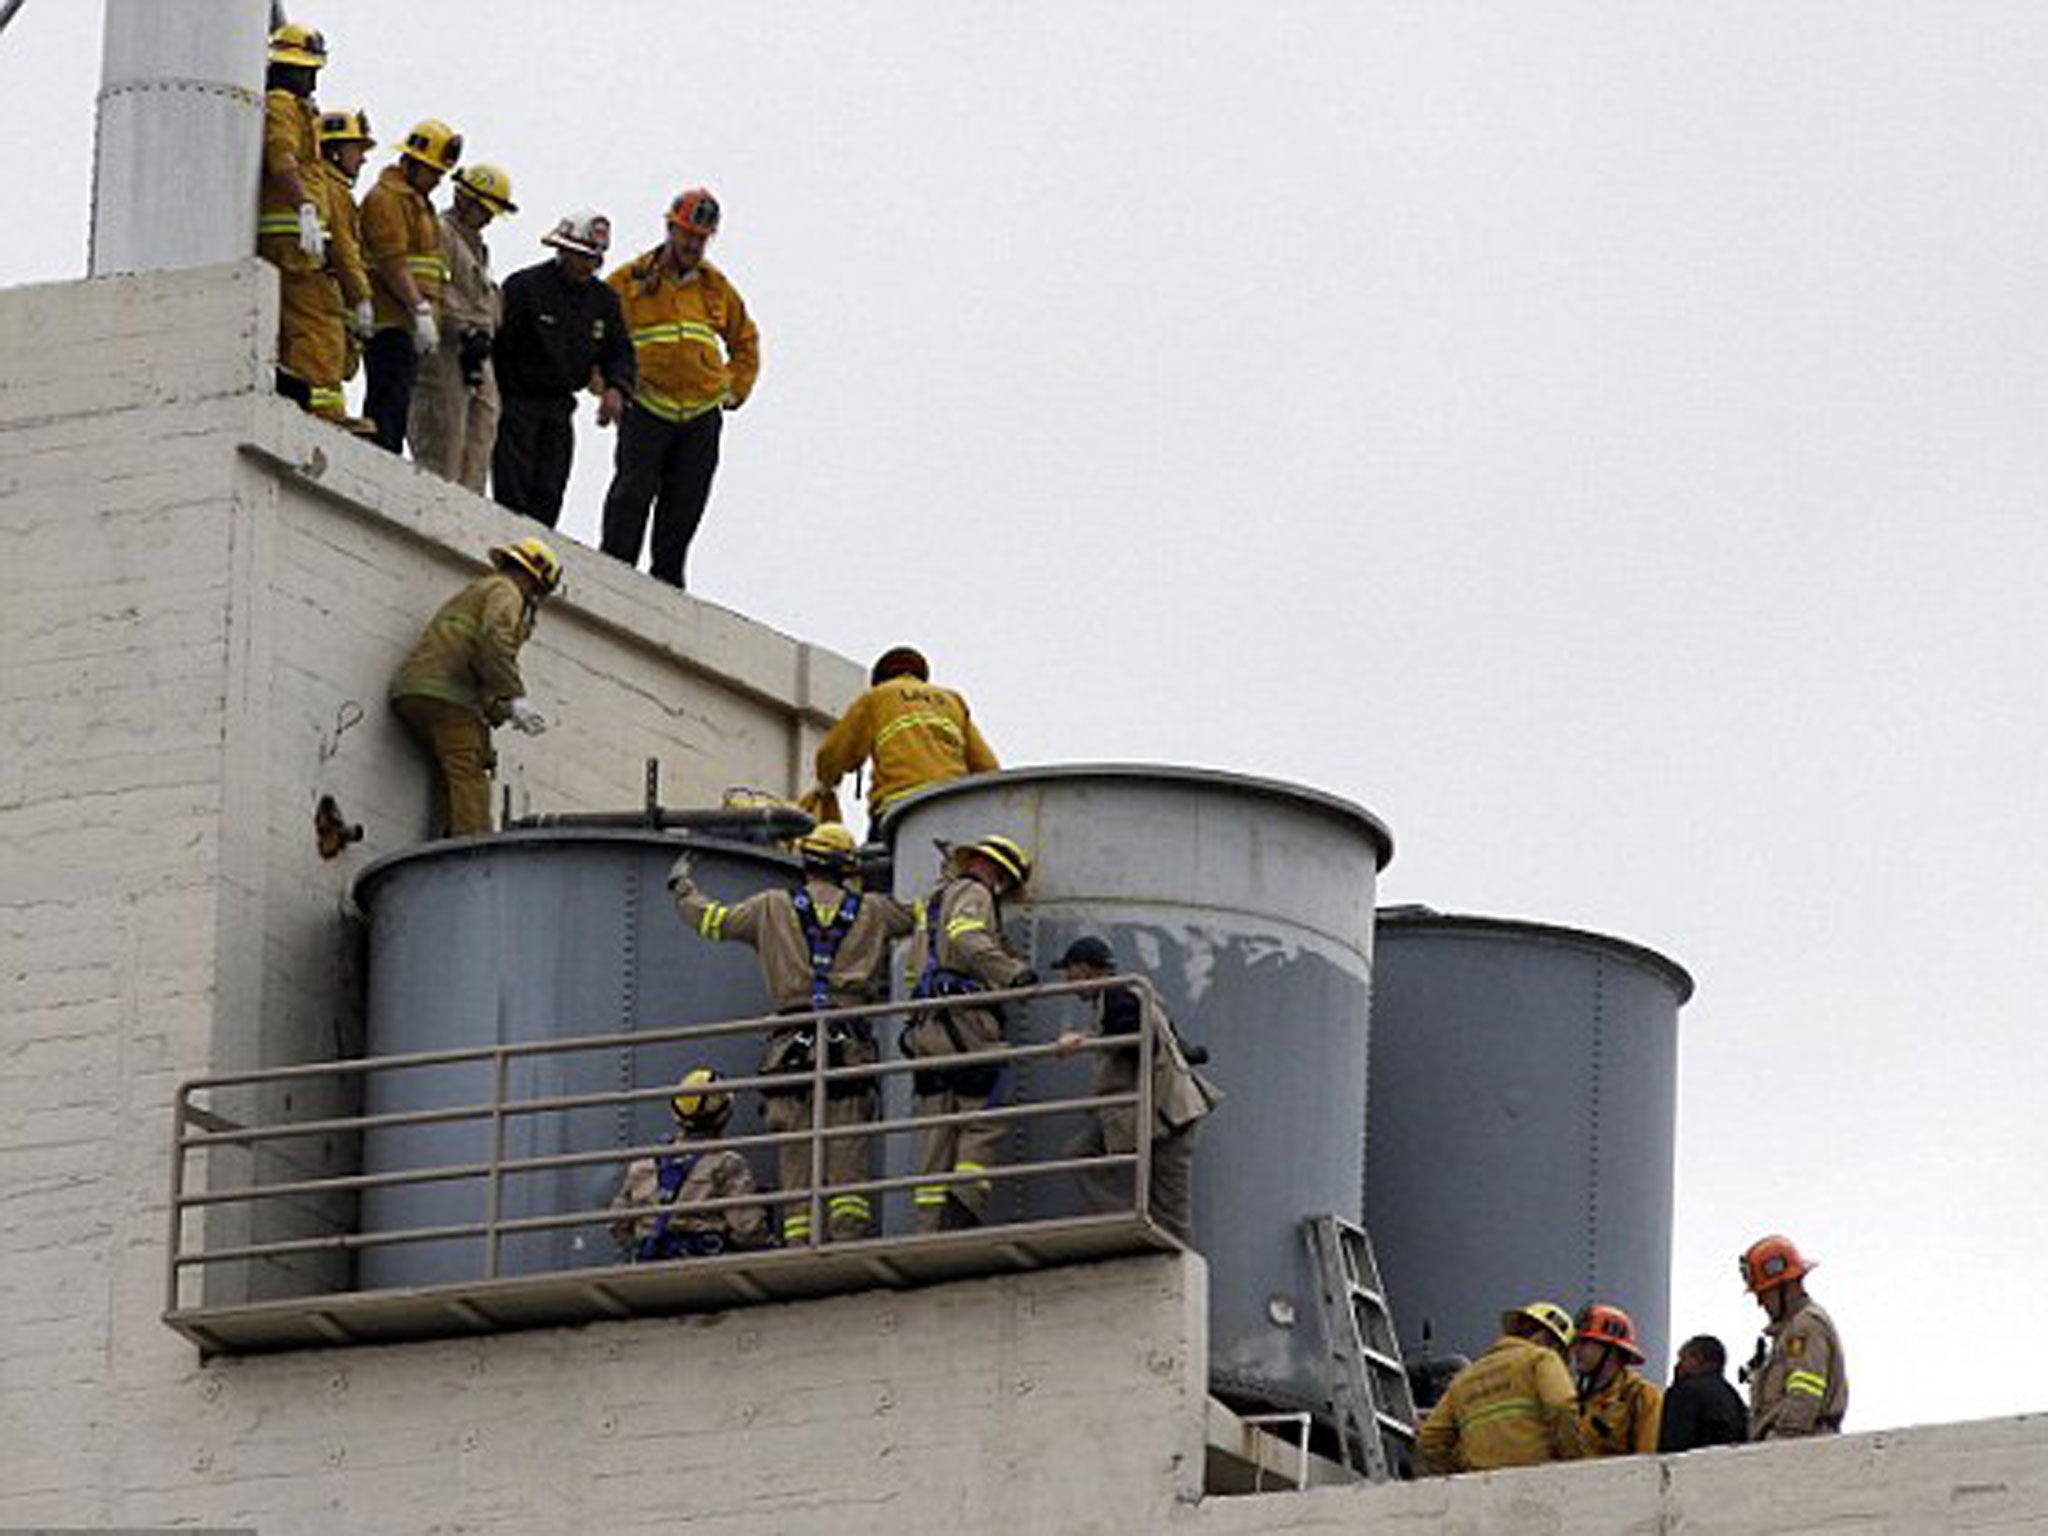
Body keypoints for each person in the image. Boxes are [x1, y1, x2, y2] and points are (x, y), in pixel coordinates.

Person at [667, 824, 914, 1245]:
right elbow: (920, 914)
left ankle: (800, 1242)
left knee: (797, 1150)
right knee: (847, 1146)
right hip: (847, 1045)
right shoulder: (873, 911)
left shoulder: (770, 907)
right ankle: (848, 1240)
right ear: (848, 867)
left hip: (791, 1048)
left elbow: (712, 922)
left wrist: (682, 887)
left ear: (806, 862)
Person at [599, 187, 759, 589]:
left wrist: (733, 389)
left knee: (685, 503)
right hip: (647, 405)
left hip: (701, 413)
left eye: (701, 238)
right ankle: (613, 574)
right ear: (670, 228)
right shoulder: (629, 281)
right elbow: (596, 334)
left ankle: (667, 583)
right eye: (687, 234)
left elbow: (745, 341)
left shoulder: (715, 287)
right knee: (631, 494)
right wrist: (608, 389)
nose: (693, 244)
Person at [902, 834, 1036, 1233]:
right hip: (965, 1017)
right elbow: (967, 937)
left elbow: (914, 968)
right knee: (984, 1111)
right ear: (997, 872)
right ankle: (964, 1201)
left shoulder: (933, 902)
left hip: (927, 1021)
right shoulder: (976, 893)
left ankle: (929, 1224)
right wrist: (1013, 973)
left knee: (935, 1126)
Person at [1050, 936, 1221, 1245]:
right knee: (1081, 1155)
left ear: (1087, 970)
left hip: (1169, 1118)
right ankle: (1132, 1223)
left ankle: (1171, 1256)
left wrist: (1088, 1041)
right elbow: (1167, 1040)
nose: (1068, 982)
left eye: (1070, 973)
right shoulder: (1131, 993)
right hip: (1146, 1115)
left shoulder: (1118, 996)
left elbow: (1140, 1041)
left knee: (1170, 1208)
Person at [388, 537, 559, 837]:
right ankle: (473, 847)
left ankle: (444, 839)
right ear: (535, 580)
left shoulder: (481, 589)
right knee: (470, 771)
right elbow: (494, 642)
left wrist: (504, 709)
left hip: (418, 690)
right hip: (446, 695)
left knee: (453, 772)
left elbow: (479, 663)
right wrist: (515, 696)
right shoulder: (507, 591)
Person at [491, 212, 636, 526]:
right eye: (583, 257)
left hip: (559, 408)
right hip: (517, 402)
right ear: (564, 250)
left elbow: (620, 352)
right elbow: (498, 347)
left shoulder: (604, 301)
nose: (589, 266)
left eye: (595, 259)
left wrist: (616, 388)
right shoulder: (524, 287)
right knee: (512, 490)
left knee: (549, 491)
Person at [408, 163, 513, 491]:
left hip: (477, 350)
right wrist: (463, 328)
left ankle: (469, 500)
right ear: (463, 198)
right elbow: (435, 288)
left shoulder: (477, 247)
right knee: (445, 430)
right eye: (483, 209)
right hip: (446, 348)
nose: (488, 218)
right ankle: (438, 497)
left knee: (482, 426)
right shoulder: (439, 233)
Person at [811, 647, 998, 828]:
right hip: (950, 805)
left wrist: (826, 784)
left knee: (881, 859)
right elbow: (987, 766)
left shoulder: (877, 697)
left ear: (880, 679)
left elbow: (832, 754)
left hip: (900, 807)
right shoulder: (952, 701)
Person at [361, 118, 462, 453]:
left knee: (399, 399)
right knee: (386, 398)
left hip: (408, 323)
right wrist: (418, 307)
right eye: (432, 172)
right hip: (388, 319)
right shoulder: (387, 199)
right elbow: (392, 261)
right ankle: (379, 453)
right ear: (412, 163)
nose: (436, 181)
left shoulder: (418, 204)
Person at [254, 23, 334, 413]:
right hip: (287, 236)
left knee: (304, 324)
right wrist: (303, 207)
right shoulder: (282, 105)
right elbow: (281, 159)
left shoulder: (299, 109)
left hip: (298, 236)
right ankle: (310, 408)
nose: (313, 84)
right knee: (307, 324)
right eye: (309, 73)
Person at [609, 1068, 771, 1260]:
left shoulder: (643, 1166)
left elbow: (617, 1226)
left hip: (650, 1269)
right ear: (724, 1114)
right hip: (706, 1271)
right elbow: (748, 1230)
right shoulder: (726, 1164)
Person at [1416, 1300, 1584, 1476]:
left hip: (1482, 1487)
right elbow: (1562, 1405)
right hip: (1538, 1480)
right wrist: (1572, 1462)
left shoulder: (1465, 1377)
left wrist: (1459, 1473)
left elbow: (1430, 1439)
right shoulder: (1542, 1358)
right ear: (1548, 1341)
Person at [1740, 1233, 1848, 1439]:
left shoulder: (1806, 1326)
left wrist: (1781, 1442)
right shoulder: (1790, 1332)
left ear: (1786, 1286)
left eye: (1765, 1294)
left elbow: (1805, 1396)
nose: (1760, 1303)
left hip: (1800, 1448)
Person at [1569, 1303, 1663, 1457]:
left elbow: (1647, 1460)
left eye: (1585, 1343)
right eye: (1577, 1342)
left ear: (1611, 1351)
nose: (1576, 1350)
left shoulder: (1642, 1396)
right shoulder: (1575, 1397)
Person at [1656, 1335, 1749, 1453]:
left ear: (1698, 1359)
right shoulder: (1733, 1397)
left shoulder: (1684, 1393)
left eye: (1683, 1359)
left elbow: (1673, 1445)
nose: (1678, 1366)